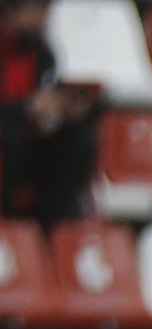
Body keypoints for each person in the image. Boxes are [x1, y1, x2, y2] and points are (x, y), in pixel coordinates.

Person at [0, 1, 98, 226]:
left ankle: (52, 228)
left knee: (80, 140)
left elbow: (47, 95)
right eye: (36, 9)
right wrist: (24, 109)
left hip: (30, 139)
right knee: (10, 138)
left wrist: (65, 109)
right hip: (8, 139)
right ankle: (11, 223)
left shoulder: (43, 53)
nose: (42, 18)